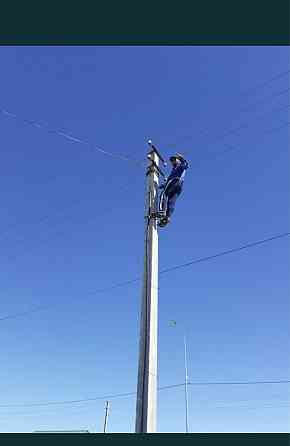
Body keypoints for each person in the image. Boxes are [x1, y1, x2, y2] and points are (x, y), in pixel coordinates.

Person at [158, 153, 189, 227]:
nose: (172, 162)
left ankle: (162, 211)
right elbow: (168, 180)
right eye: (171, 160)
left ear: (178, 160)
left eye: (174, 160)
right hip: (178, 186)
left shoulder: (180, 166)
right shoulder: (174, 169)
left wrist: (182, 158)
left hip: (175, 181)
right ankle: (167, 217)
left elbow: (186, 165)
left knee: (163, 194)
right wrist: (162, 185)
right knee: (171, 201)